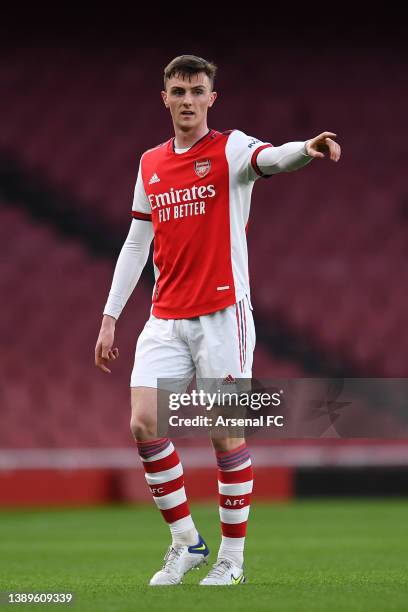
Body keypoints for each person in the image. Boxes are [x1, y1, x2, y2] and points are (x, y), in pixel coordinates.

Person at [95, 54, 341, 586]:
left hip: (223, 317)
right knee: (144, 422)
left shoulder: (229, 149)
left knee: (224, 434)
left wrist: (308, 148)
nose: (187, 99)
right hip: (165, 315)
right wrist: (110, 316)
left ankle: (232, 557)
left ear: (212, 98)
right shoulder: (150, 163)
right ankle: (187, 543)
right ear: (164, 98)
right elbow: (137, 241)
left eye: (197, 90)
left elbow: (272, 160)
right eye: (178, 91)